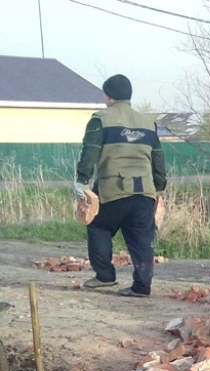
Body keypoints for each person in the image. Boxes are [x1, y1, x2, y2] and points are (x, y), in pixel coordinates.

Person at [73, 74, 166, 298]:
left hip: (113, 189)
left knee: (98, 226)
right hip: (145, 191)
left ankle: (105, 276)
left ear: (108, 95)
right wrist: (159, 187)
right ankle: (142, 287)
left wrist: (81, 180)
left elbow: (90, 152)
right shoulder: (148, 124)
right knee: (142, 238)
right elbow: (158, 159)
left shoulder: (100, 119)